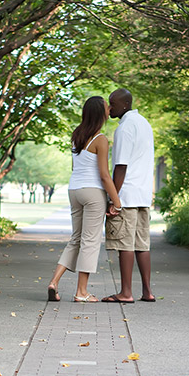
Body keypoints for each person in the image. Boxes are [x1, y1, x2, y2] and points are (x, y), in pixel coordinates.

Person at [47, 96, 122, 303]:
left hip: (74, 190)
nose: (109, 110)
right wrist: (117, 202)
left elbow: (75, 168)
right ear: (100, 113)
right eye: (107, 108)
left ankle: (54, 282)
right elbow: (104, 176)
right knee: (90, 242)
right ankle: (81, 292)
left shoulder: (77, 135)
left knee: (76, 239)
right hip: (92, 193)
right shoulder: (101, 139)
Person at [102, 88, 156, 303]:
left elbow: (120, 166)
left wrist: (113, 198)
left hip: (127, 194)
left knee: (124, 244)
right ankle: (147, 291)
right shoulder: (144, 123)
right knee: (142, 244)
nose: (109, 108)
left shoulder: (124, 128)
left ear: (124, 105)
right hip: (142, 193)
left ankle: (125, 293)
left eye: (112, 104)